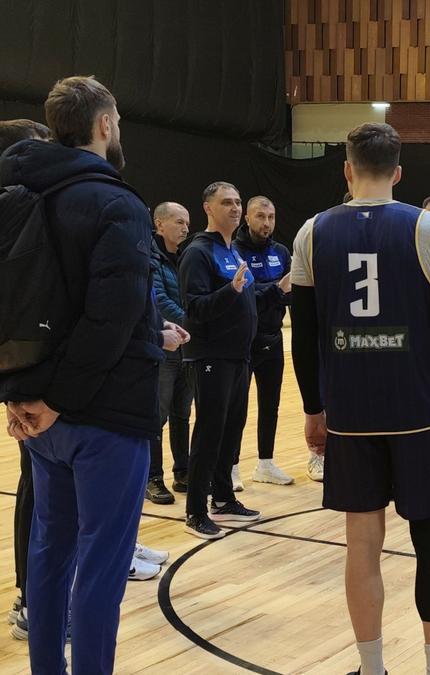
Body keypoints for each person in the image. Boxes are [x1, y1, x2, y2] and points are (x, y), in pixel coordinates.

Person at [0, 76, 170, 674]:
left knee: (48, 555)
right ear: (104, 124)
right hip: (98, 414)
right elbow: (111, 318)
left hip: (38, 415)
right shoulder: (117, 203)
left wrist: (20, 394)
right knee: (101, 568)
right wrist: (56, 399)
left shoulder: (10, 194)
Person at [290, 122, 430, 675]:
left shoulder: (312, 233)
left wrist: (313, 409)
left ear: (347, 170)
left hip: (350, 417)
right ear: (397, 172)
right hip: (418, 414)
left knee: (362, 545)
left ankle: (371, 669)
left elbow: (302, 335)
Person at [0, 118, 51, 640]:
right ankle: (31, 599)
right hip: (33, 384)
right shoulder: (19, 212)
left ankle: (40, 595)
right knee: (36, 489)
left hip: (23, 379)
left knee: (42, 488)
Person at [178, 181, 261, 538]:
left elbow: (243, 298)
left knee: (232, 429)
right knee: (209, 432)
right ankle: (196, 511)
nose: (235, 208)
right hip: (210, 355)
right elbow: (194, 308)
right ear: (208, 208)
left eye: (239, 202)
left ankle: (224, 498)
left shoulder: (234, 251)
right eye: (227, 202)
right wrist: (232, 290)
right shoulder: (198, 252)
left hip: (238, 356)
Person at [233, 196, 296, 485]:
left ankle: (266, 463)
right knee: (237, 406)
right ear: (247, 218)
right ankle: (231, 466)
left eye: (270, 217)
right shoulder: (234, 251)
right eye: (260, 216)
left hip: (273, 337)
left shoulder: (281, 252)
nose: (266, 223)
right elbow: (245, 296)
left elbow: (291, 290)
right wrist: (277, 289)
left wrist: (276, 291)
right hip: (242, 340)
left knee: (271, 404)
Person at [147, 202, 193, 502]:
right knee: (158, 415)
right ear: (159, 224)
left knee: (182, 413)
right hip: (164, 347)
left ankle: (183, 472)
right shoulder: (151, 259)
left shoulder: (188, 257)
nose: (185, 228)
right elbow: (161, 301)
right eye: (178, 222)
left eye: (187, 222)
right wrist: (193, 324)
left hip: (187, 347)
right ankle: (153, 478)